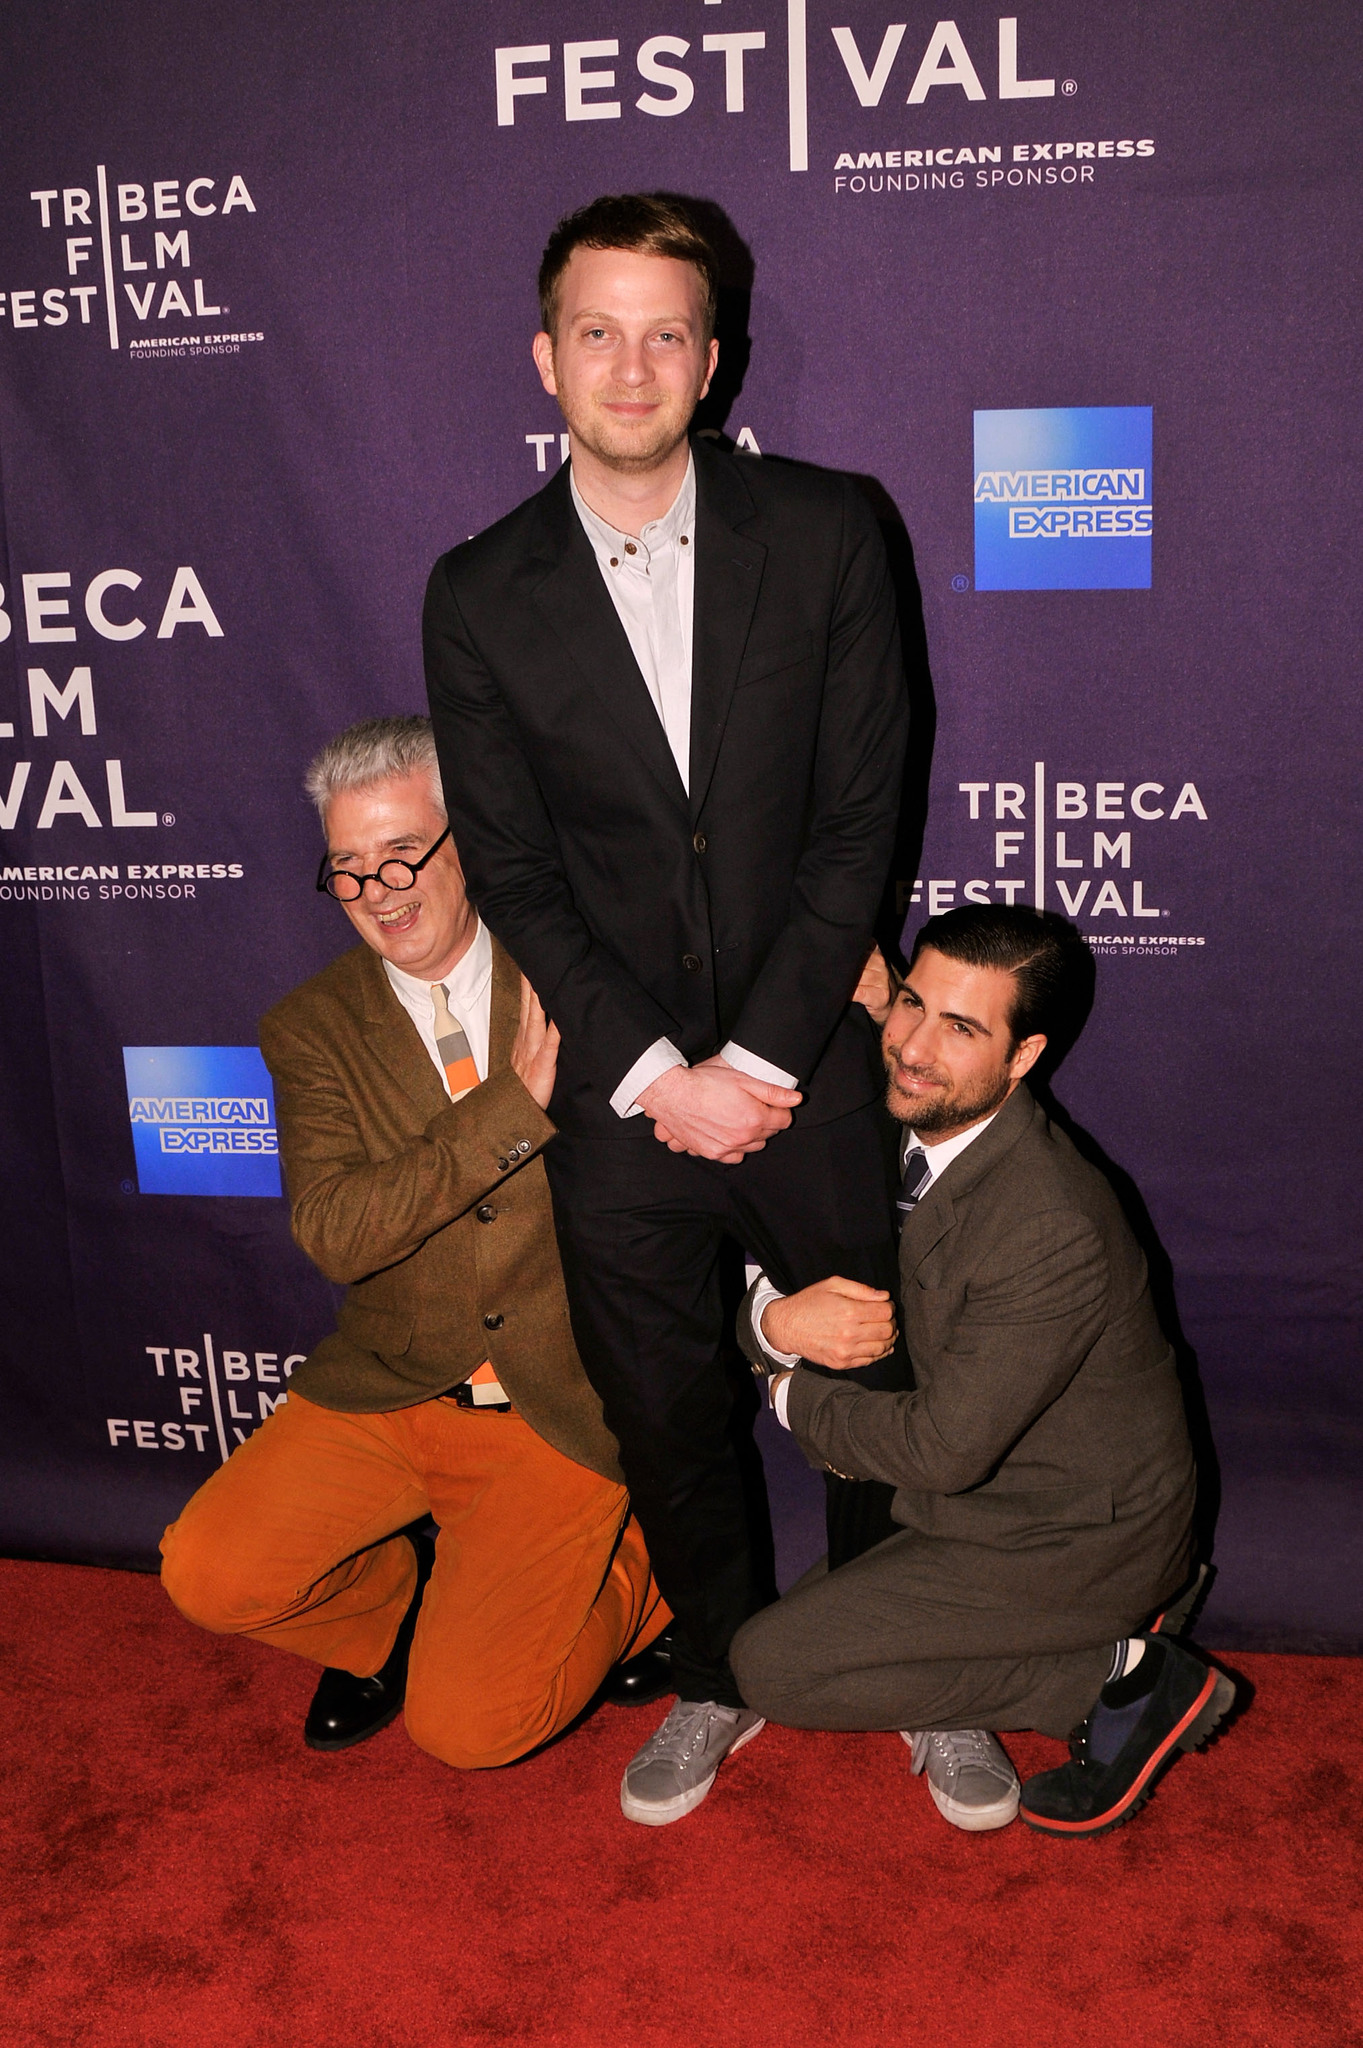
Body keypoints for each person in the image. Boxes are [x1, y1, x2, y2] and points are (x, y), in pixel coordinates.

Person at [423, 193, 912, 1826]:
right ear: (542, 354)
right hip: (616, 1091)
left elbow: (859, 821)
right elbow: (509, 861)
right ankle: (716, 1662)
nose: (628, 363)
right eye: (595, 329)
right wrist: (654, 1075)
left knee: (872, 1384)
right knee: (666, 1401)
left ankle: (904, 1662)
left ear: (714, 359)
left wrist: (762, 1059)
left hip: (811, 1066)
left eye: (665, 331)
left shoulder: (833, 528)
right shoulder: (477, 590)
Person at [160, 717, 671, 1770]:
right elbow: (338, 1232)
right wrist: (512, 1104)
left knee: (471, 1731)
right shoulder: (308, 1025)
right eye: (347, 868)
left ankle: (648, 1583)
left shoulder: (578, 972)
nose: (380, 889)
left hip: (561, 1399)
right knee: (205, 1572)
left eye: (403, 852)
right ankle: (386, 1621)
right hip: (390, 1385)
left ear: (467, 840)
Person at [729, 905, 1233, 1837]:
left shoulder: (1049, 1225)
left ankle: (1114, 1677)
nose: (912, 1048)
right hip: (966, 1507)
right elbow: (773, 1263)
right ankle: (1094, 1656)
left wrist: (785, 1387)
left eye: (960, 1027)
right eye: (911, 1004)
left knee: (772, 1667)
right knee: (819, 1617)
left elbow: (941, 1449)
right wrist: (773, 1321)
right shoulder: (897, 1114)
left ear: (1023, 1054)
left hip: (1071, 1538)